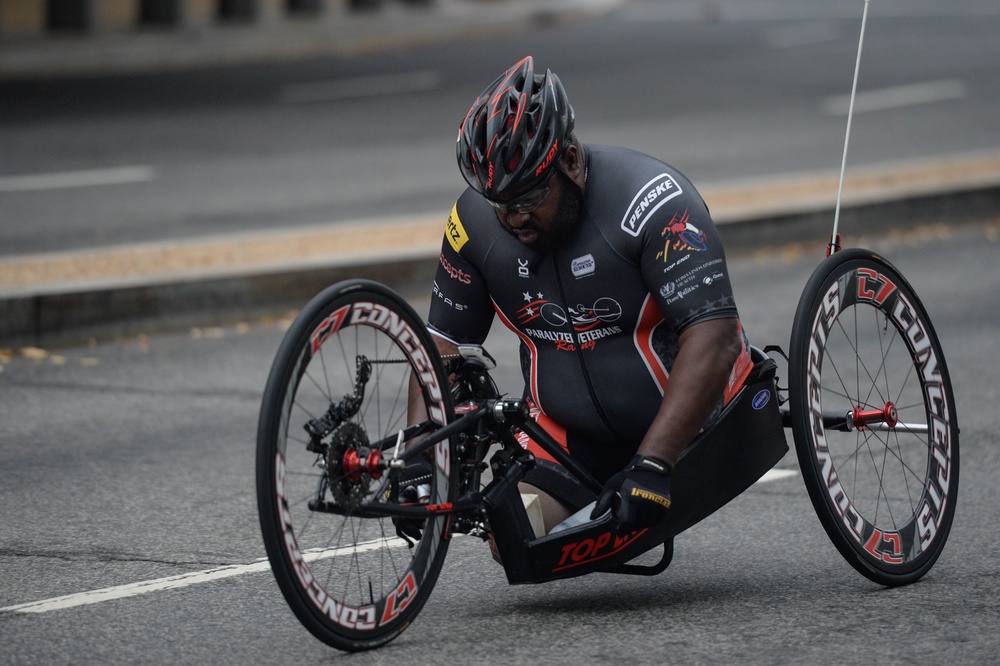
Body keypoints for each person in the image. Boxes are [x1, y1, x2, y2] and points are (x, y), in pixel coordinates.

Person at [415, 55, 754, 536]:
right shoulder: (470, 225)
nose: (514, 219)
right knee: (511, 534)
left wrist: (653, 462)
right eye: (500, 204)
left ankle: (648, 459)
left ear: (570, 161)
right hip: (571, 439)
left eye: (528, 198)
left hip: (691, 424)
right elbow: (442, 344)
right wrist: (420, 455)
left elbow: (716, 336)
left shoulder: (654, 200)